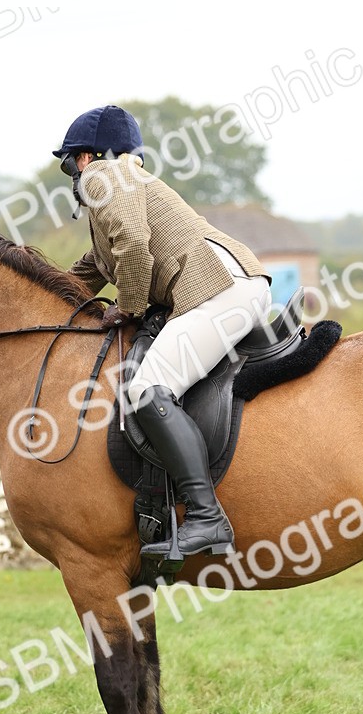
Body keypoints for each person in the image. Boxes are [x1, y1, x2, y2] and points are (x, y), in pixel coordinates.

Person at [54, 105, 272, 559]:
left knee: (147, 389)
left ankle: (207, 518)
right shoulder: (125, 183)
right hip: (228, 286)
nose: (73, 175)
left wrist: (128, 307)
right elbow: (90, 270)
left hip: (219, 289)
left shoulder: (105, 175)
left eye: (71, 164)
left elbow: (134, 244)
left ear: (87, 157)